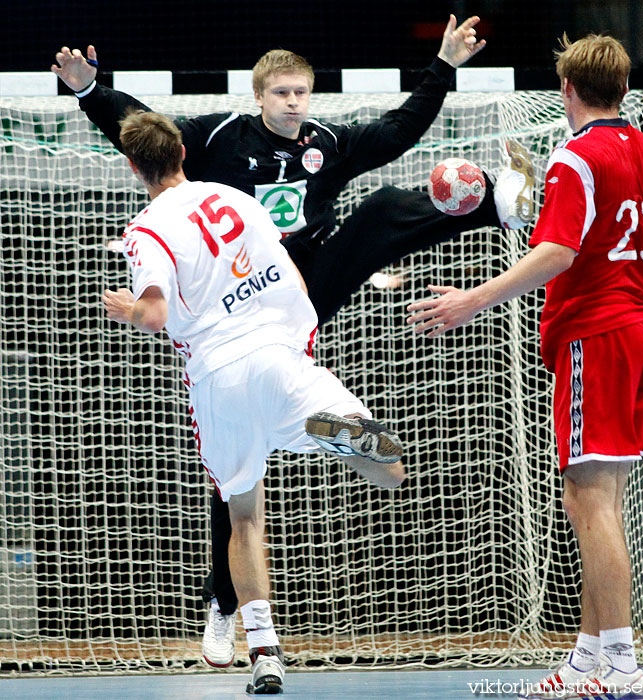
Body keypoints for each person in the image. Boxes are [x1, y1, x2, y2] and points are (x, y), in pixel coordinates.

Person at [51, 15, 536, 668]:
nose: (291, 103)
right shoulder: (217, 146)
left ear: (310, 96)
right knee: (240, 481)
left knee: (383, 206)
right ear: (258, 96)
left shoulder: (325, 143)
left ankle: (494, 206)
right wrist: (90, 92)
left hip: (292, 294)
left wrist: (443, 64)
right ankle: (226, 601)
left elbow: (394, 134)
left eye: (300, 93)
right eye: (279, 93)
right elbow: (148, 132)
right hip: (237, 320)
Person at [104, 108, 406, 694]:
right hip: (281, 360)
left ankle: (264, 652)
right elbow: (291, 274)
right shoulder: (235, 198)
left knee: (243, 515)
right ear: (184, 154)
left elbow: (157, 314)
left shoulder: (143, 231)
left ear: (133, 166)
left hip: (219, 378)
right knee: (390, 468)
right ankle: (320, 430)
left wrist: (129, 309)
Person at [406, 33, 643, 700]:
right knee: (598, 498)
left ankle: (622, 669)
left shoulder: (576, 155)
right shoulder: (641, 148)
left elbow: (559, 254)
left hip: (592, 333)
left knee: (588, 499)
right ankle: (587, 660)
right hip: (633, 327)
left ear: (565, 91)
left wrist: (470, 299)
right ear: (622, 91)